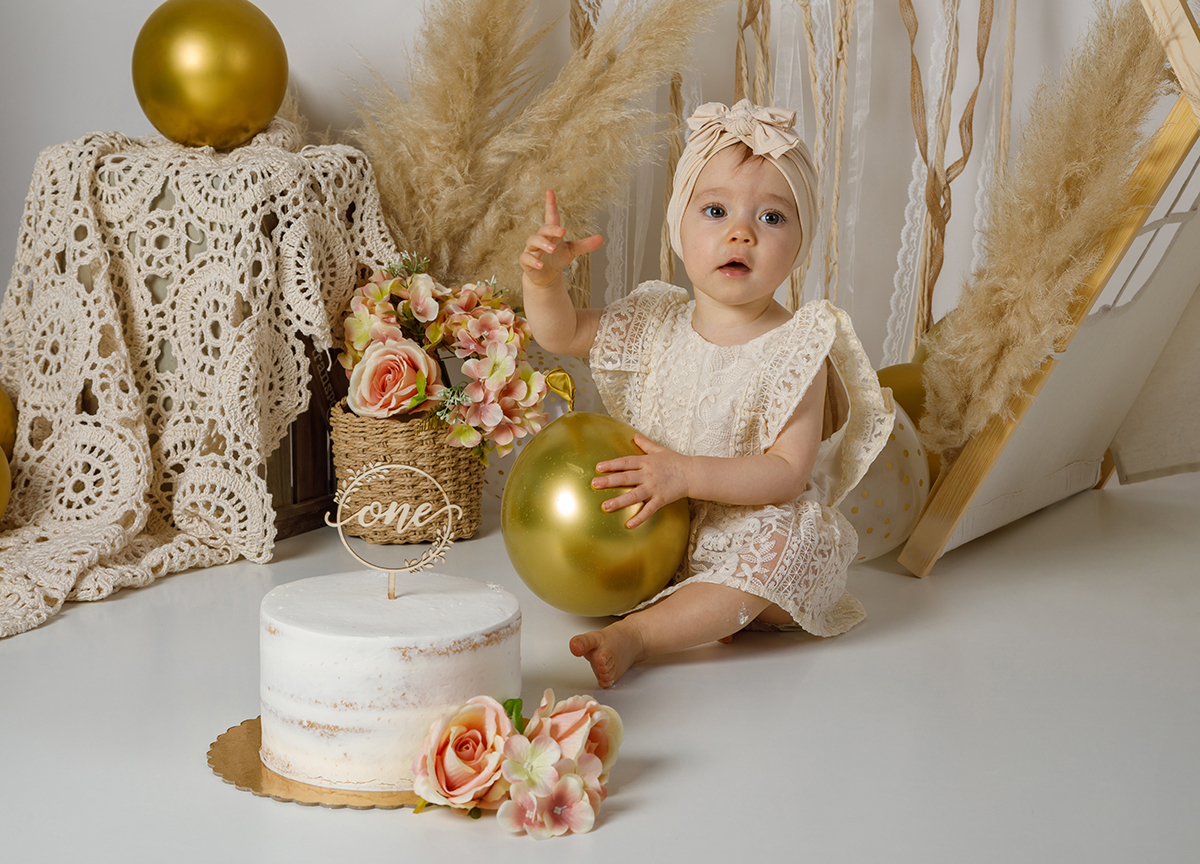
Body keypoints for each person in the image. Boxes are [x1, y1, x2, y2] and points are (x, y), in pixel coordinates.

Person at [519, 100, 894, 688]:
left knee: (792, 543)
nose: (741, 232)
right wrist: (543, 282)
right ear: (679, 227)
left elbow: (787, 473)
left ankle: (641, 635)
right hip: (645, 529)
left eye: (772, 217)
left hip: (741, 531)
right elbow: (560, 333)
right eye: (715, 210)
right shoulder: (654, 321)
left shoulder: (797, 347)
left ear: (801, 243)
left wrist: (686, 475)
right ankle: (696, 604)